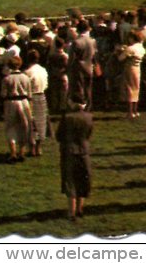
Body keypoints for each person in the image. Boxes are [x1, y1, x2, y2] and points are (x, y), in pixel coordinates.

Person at [56, 92, 94, 221]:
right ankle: (80, 209)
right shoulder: (89, 117)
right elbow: (89, 134)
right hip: (84, 150)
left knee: (70, 181)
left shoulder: (67, 117)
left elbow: (59, 135)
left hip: (69, 150)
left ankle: (71, 212)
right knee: (83, 179)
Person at [24, 50, 50, 156]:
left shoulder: (27, 72)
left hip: (32, 97)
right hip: (42, 95)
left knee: (32, 123)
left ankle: (32, 147)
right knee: (41, 123)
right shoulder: (43, 70)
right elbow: (46, 84)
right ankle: (39, 147)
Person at [118, 32, 146, 119]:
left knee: (129, 89)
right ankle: (135, 110)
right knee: (136, 88)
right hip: (137, 69)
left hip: (130, 68)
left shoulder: (131, 48)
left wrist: (119, 51)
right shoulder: (141, 48)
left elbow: (120, 58)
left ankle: (130, 112)